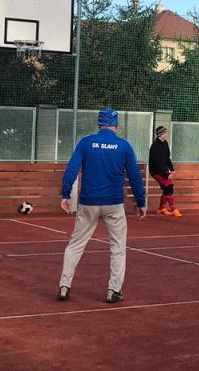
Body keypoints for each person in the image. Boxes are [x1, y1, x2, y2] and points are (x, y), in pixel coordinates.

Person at [57, 108, 146, 303]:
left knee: (75, 245)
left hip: (88, 202)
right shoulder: (124, 146)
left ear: (99, 124)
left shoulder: (86, 143)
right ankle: (113, 290)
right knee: (118, 248)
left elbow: (71, 169)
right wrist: (141, 202)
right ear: (116, 125)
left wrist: (65, 194)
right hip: (114, 203)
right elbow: (135, 176)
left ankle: (64, 285)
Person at [149, 125, 181, 217]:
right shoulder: (155, 147)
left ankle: (161, 209)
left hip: (163, 171)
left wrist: (172, 169)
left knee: (167, 189)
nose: (167, 134)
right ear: (160, 134)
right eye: (165, 133)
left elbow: (167, 158)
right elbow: (157, 164)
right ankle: (173, 209)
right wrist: (166, 175)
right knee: (169, 188)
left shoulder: (165, 143)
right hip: (156, 172)